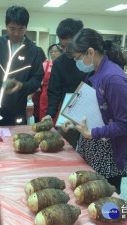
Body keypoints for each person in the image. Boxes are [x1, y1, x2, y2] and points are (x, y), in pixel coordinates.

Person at [0, 5, 44, 186]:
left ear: (26, 28)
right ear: (6, 26)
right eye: (12, 28)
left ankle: (13, 176)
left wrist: (23, 86)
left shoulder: (33, 51)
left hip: (17, 108)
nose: (15, 33)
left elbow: (38, 78)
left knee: (17, 143)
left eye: (20, 29)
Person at [62, 28, 127, 194]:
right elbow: (99, 111)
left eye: (77, 58)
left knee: (106, 206)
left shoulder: (114, 79)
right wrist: (75, 122)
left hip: (107, 157)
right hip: (91, 150)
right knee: (88, 198)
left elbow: (126, 124)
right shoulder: (97, 73)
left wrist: (92, 133)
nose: (77, 62)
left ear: (90, 52)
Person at [42, 18, 87, 149]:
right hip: (70, 113)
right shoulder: (60, 62)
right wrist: (50, 113)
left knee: (88, 153)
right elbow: (54, 91)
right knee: (67, 149)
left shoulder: (90, 59)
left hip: (92, 114)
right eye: (62, 47)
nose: (66, 50)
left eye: (69, 45)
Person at [39, 43, 63, 123]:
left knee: (57, 121)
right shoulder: (45, 65)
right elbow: (39, 81)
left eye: (55, 51)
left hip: (57, 98)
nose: (52, 54)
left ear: (62, 52)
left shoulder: (63, 66)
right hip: (45, 97)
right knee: (44, 122)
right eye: (51, 52)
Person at [31, 47, 47, 123]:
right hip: (37, 97)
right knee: (37, 115)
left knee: (39, 117)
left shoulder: (44, 65)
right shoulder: (37, 65)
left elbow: (39, 83)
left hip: (41, 96)